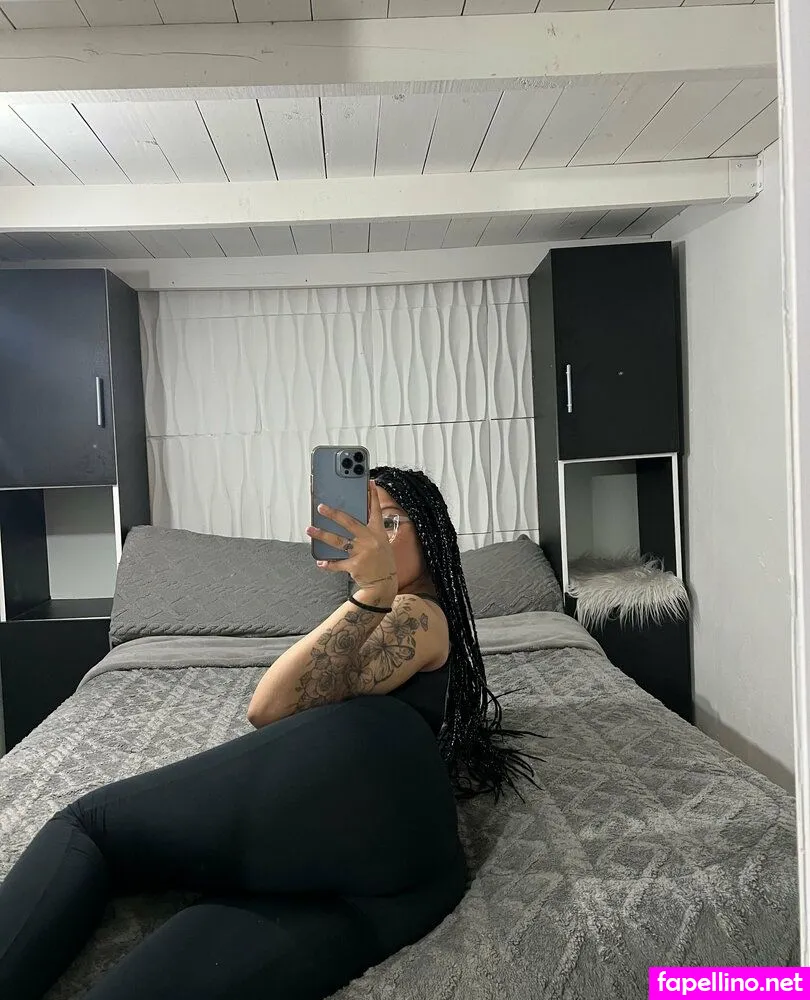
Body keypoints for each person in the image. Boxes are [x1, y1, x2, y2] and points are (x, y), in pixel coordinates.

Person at [0, 466, 537, 1000]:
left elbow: (270, 706)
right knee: (203, 934)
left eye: (390, 523)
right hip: (410, 871)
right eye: (364, 521)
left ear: (432, 535)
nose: (372, 536)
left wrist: (375, 589)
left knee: (89, 827)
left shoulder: (412, 610)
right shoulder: (429, 617)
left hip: (363, 779)